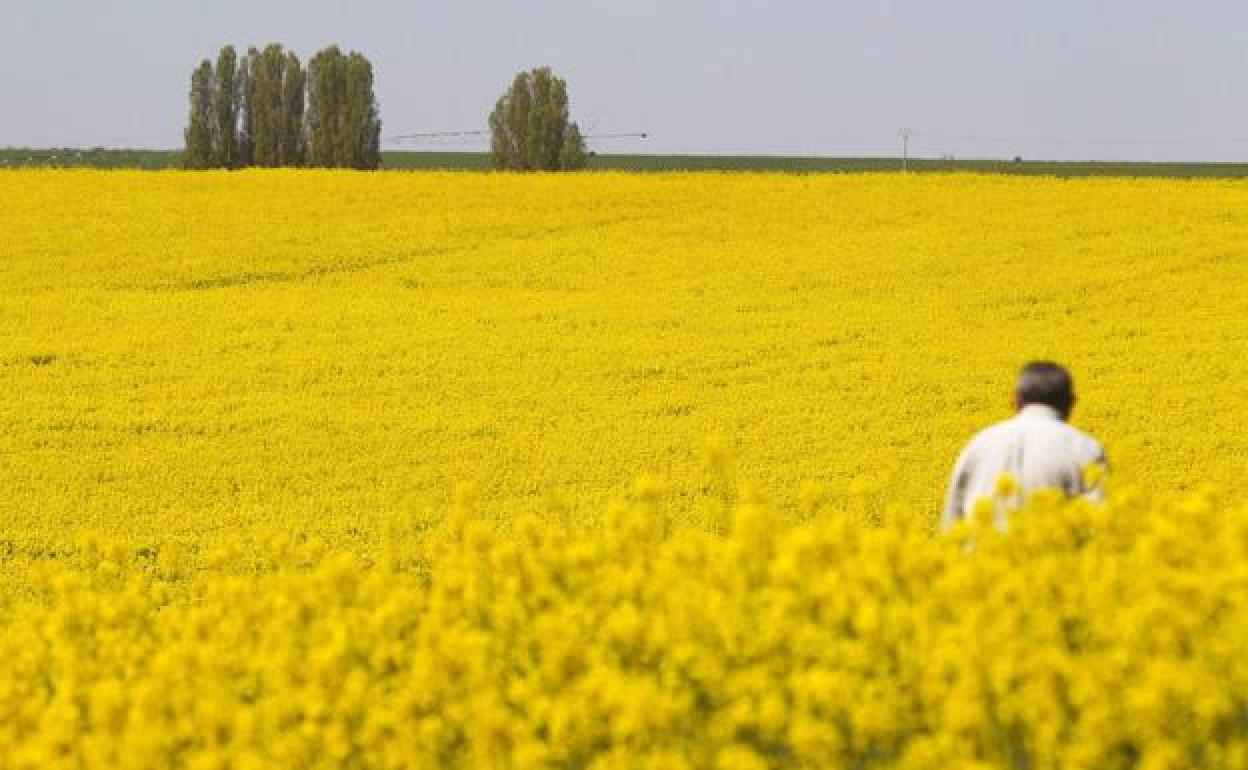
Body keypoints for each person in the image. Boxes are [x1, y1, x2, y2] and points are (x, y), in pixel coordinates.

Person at [941, 362, 1107, 530]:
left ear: (1016, 400)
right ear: (1070, 403)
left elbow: (952, 525)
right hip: (1052, 553)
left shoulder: (978, 445)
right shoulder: (1084, 449)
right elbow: (1101, 525)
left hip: (982, 553)